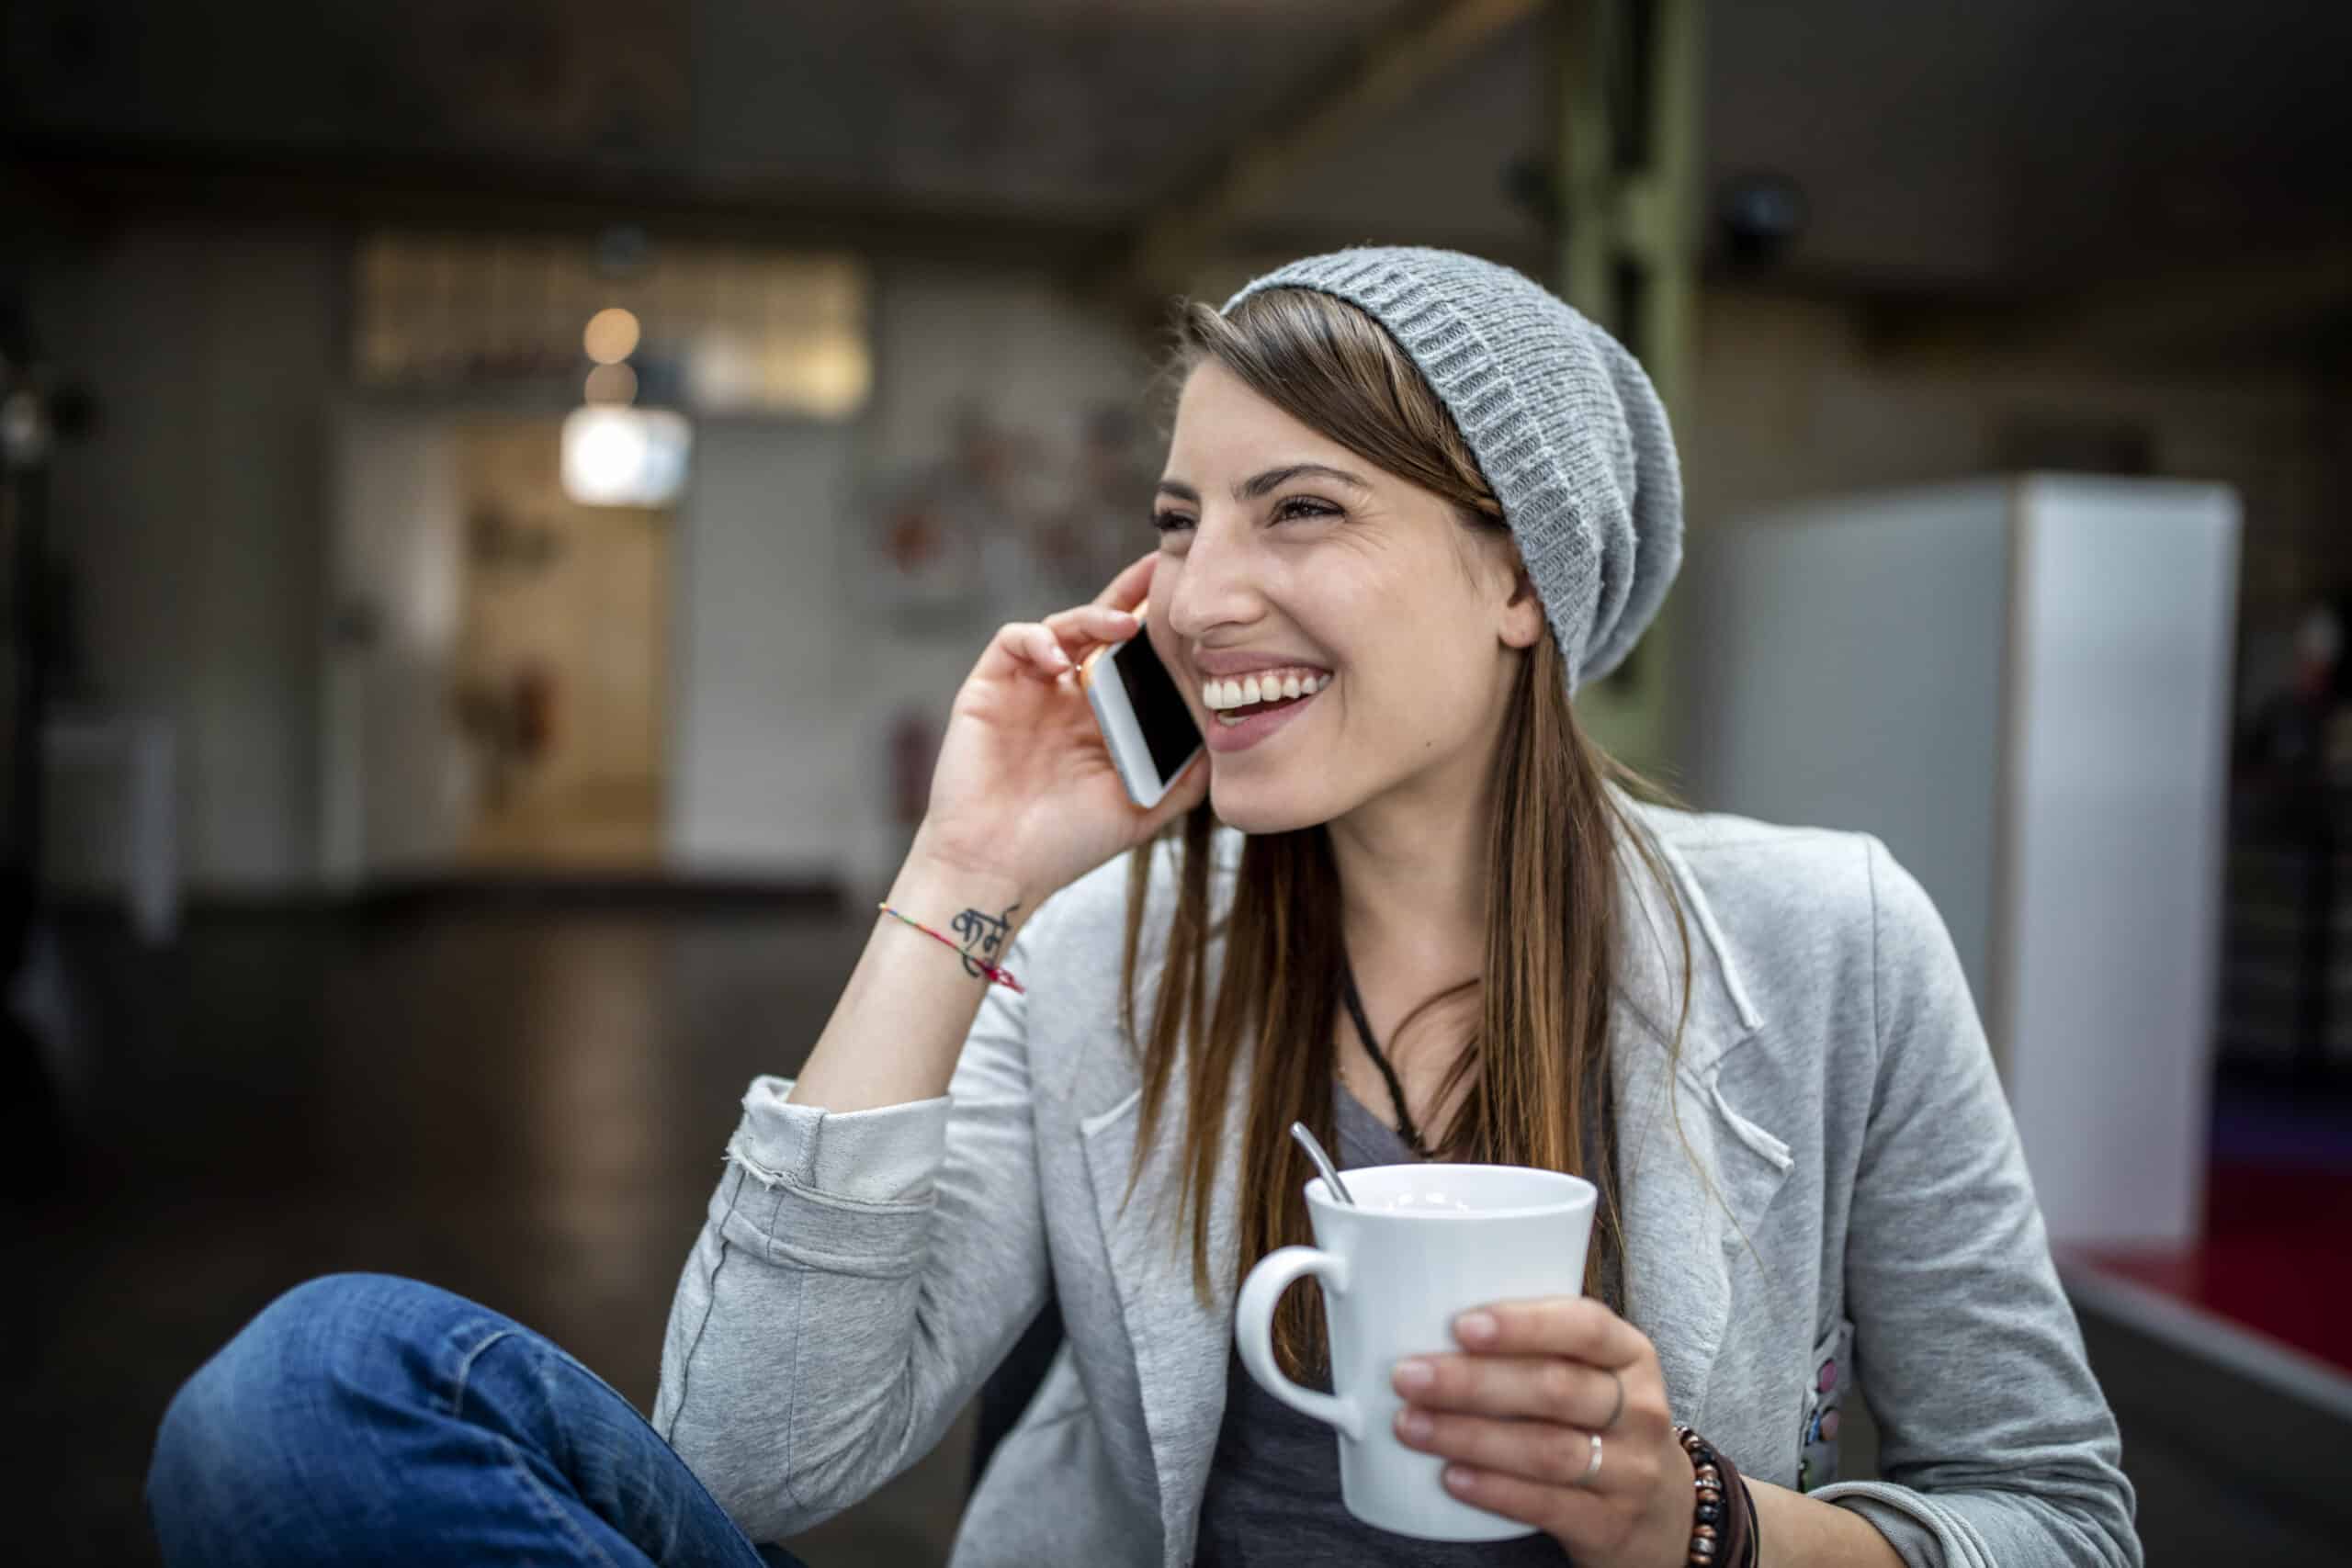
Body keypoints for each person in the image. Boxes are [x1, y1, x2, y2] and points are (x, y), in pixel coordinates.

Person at [147, 247, 2141, 1567]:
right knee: (302, 1399)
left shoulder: (1821, 938)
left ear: (1519, 575)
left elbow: (2057, 1512)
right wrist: (962, 878)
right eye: (1180, 519)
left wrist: (1702, 1518)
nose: (1191, 598)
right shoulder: (1110, 943)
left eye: (1305, 510)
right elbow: (749, 1457)